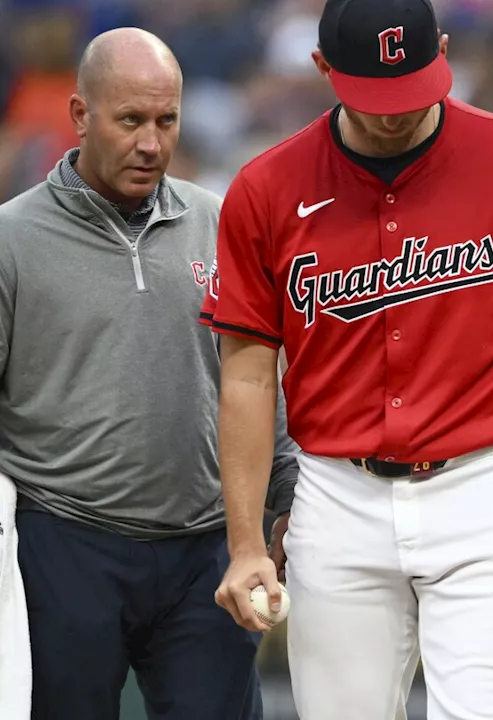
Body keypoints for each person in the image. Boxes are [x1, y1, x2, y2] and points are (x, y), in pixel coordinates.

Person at [201, 1, 493, 718]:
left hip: (487, 489)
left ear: (439, 50)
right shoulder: (267, 187)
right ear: (324, 70)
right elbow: (248, 376)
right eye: (375, 96)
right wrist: (247, 541)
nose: (396, 114)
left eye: (412, 86)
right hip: (337, 497)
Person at [0, 28, 300, 720]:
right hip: (65, 543)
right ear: (80, 116)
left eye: (166, 121)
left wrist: (285, 496)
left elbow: (259, 380)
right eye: (130, 120)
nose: (151, 143)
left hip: (206, 547)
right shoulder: (13, 240)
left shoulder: (218, 223)